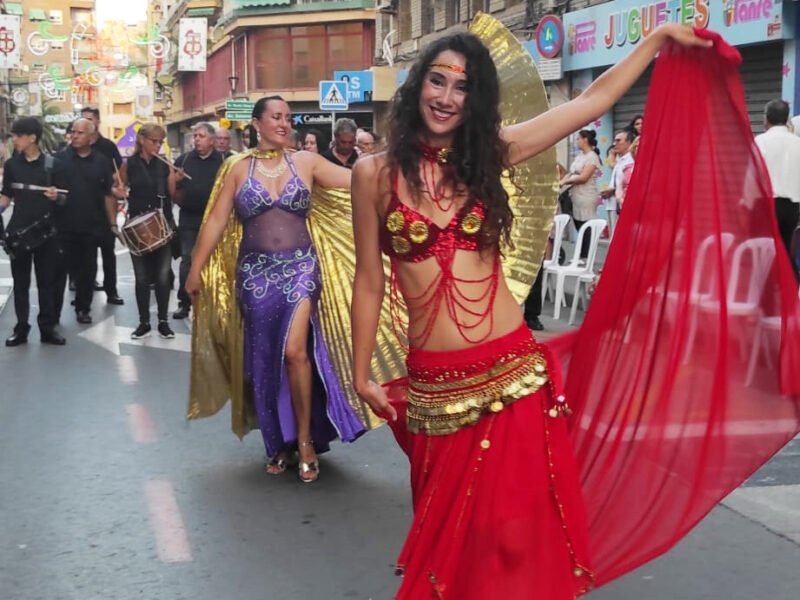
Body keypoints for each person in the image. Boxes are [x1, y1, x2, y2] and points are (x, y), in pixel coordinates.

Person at [350, 24, 711, 599]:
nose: (446, 97)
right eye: (437, 81)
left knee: (514, 537)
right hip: (436, 388)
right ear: (417, 85)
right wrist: (360, 372)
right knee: (452, 554)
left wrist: (658, 39)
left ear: (476, 100)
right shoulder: (371, 175)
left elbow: (591, 100)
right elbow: (368, 281)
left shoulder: (489, 155)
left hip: (511, 377)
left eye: (462, 88)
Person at [185, 96, 366, 482]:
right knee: (266, 358)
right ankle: (279, 440)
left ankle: (304, 440)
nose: (284, 123)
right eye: (276, 117)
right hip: (255, 276)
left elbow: (359, 180)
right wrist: (195, 270)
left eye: (288, 117)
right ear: (257, 124)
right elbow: (216, 221)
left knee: (296, 351)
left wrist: (402, 162)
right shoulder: (238, 168)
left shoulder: (307, 162)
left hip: (301, 268)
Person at [0, 117, 66, 346]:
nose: (14, 140)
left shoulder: (53, 165)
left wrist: (56, 196)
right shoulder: (12, 165)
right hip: (19, 232)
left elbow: (65, 198)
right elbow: (7, 195)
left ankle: (47, 328)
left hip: (46, 232)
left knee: (46, 283)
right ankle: (21, 329)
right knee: (20, 284)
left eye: (18, 136)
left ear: (32, 138)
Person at [53, 118, 117, 325]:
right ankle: (52, 314)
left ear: (91, 137)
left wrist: (113, 224)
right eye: (73, 132)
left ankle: (83, 308)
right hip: (63, 226)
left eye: (80, 133)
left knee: (87, 272)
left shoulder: (101, 162)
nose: (75, 136)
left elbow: (108, 194)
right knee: (58, 273)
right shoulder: (59, 160)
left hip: (91, 227)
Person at [117, 124, 177, 340]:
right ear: (142, 140)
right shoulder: (130, 164)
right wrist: (119, 191)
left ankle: (163, 322)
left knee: (162, 276)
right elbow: (116, 188)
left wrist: (175, 178)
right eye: (153, 141)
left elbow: (172, 195)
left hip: (162, 223)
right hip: (138, 225)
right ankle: (143, 322)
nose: (157, 145)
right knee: (142, 278)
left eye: (160, 142)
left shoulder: (164, 165)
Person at [172, 123, 224, 320]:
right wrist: (177, 181)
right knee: (187, 260)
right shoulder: (183, 160)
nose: (197, 139)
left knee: (214, 261)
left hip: (214, 220)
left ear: (212, 140)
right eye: (195, 136)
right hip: (189, 218)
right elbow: (173, 191)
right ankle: (184, 303)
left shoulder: (223, 161)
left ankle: (212, 302)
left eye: (201, 136)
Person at [80, 107, 124, 306]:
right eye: (83, 119)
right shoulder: (75, 147)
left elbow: (118, 172)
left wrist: (110, 181)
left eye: (90, 119)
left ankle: (111, 290)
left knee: (108, 252)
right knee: (84, 255)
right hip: (83, 208)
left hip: (106, 206)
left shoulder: (108, 147)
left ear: (97, 122)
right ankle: (83, 293)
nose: (86, 122)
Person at [754, 98, 800, 278]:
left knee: (765, 250)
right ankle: (790, 285)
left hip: (767, 204)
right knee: (785, 249)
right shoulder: (797, 143)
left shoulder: (761, 141)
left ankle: (769, 286)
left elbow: (754, 174)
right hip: (792, 207)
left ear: (766, 118)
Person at [559, 129, 602, 259]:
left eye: (578, 139)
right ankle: (581, 255)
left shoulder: (592, 157)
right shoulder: (580, 156)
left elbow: (583, 177)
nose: (576, 141)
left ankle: (586, 256)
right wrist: (563, 180)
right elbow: (571, 173)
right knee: (578, 222)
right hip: (575, 194)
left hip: (586, 195)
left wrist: (565, 181)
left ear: (585, 140)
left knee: (586, 224)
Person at [600, 127, 635, 237]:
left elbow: (630, 184)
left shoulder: (631, 160)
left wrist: (612, 190)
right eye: (614, 141)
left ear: (629, 143)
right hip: (611, 204)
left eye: (618, 141)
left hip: (621, 204)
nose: (615, 144)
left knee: (621, 237)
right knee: (613, 238)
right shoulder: (619, 160)